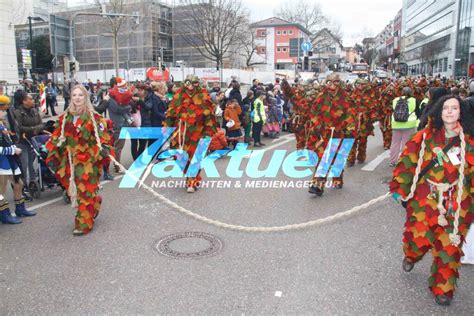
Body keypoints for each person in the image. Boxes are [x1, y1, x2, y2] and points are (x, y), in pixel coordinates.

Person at [390, 95, 473, 306]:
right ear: (438, 111)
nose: (450, 112)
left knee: (449, 249)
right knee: (417, 239)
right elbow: (407, 161)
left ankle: (443, 289)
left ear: (461, 112)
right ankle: (411, 255)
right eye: (446, 108)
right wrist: (400, 187)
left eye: (455, 108)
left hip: (456, 203)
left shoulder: (470, 142)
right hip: (425, 199)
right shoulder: (424, 137)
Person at [45, 85, 114, 236]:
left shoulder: (94, 117)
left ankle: (83, 223)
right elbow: (57, 137)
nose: (77, 98)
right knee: (74, 191)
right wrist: (53, 149)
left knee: (85, 191)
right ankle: (95, 202)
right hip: (70, 161)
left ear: (86, 97)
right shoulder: (65, 118)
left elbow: (104, 137)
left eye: (80, 95)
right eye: (74, 95)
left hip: (88, 161)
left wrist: (104, 148)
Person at [163, 75, 218, 193]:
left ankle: (192, 181)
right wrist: (167, 128)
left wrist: (208, 132)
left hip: (198, 133)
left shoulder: (203, 95)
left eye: (194, 84)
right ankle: (189, 176)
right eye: (188, 84)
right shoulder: (179, 95)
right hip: (181, 134)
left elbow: (209, 114)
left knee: (195, 156)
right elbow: (171, 113)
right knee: (180, 157)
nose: (191, 87)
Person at [307, 73, 356, 196]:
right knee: (323, 158)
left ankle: (337, 179)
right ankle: (317, 184)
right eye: (330, 82)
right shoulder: (320, 97)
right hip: (325, 133)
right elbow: (314, 113)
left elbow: (350, 114)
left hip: (340, 133)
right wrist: (317, 126)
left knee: (338, 158)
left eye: (336, 82)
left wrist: (350, 128)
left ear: (340, 83)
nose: (332, 85)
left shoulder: (346, 98)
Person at [0, 95, 36, 224]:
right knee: (1, 189)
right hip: (2, 161)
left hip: (9, 158)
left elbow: (7, 139)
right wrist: (12, 150)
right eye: (3, 110)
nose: (5, 112)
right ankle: (4, 215)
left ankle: (20, 209)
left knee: (19, 183)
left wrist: (13, 147)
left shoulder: (2, 123)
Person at [13, 91, 46, 187]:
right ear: (24, 101)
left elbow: (41, 124)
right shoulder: (17, 113)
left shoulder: (34, 110)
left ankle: (32, 182)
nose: (33, 101)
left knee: (33, 163)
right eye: (30, 99)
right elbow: (18, 127)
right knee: (24, 164)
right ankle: (23, 186)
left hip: (33, 140)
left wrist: (36, 129)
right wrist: (33, 129)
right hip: (21, 141)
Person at [389, 87, 419, 167]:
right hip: (409, 125)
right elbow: (418, 112)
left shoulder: (395, 100)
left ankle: (392, 161)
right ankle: (403, 160)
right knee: (406, 143)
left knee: (395, 143)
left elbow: (393, 109)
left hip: (396, 123)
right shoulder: (414, 100)